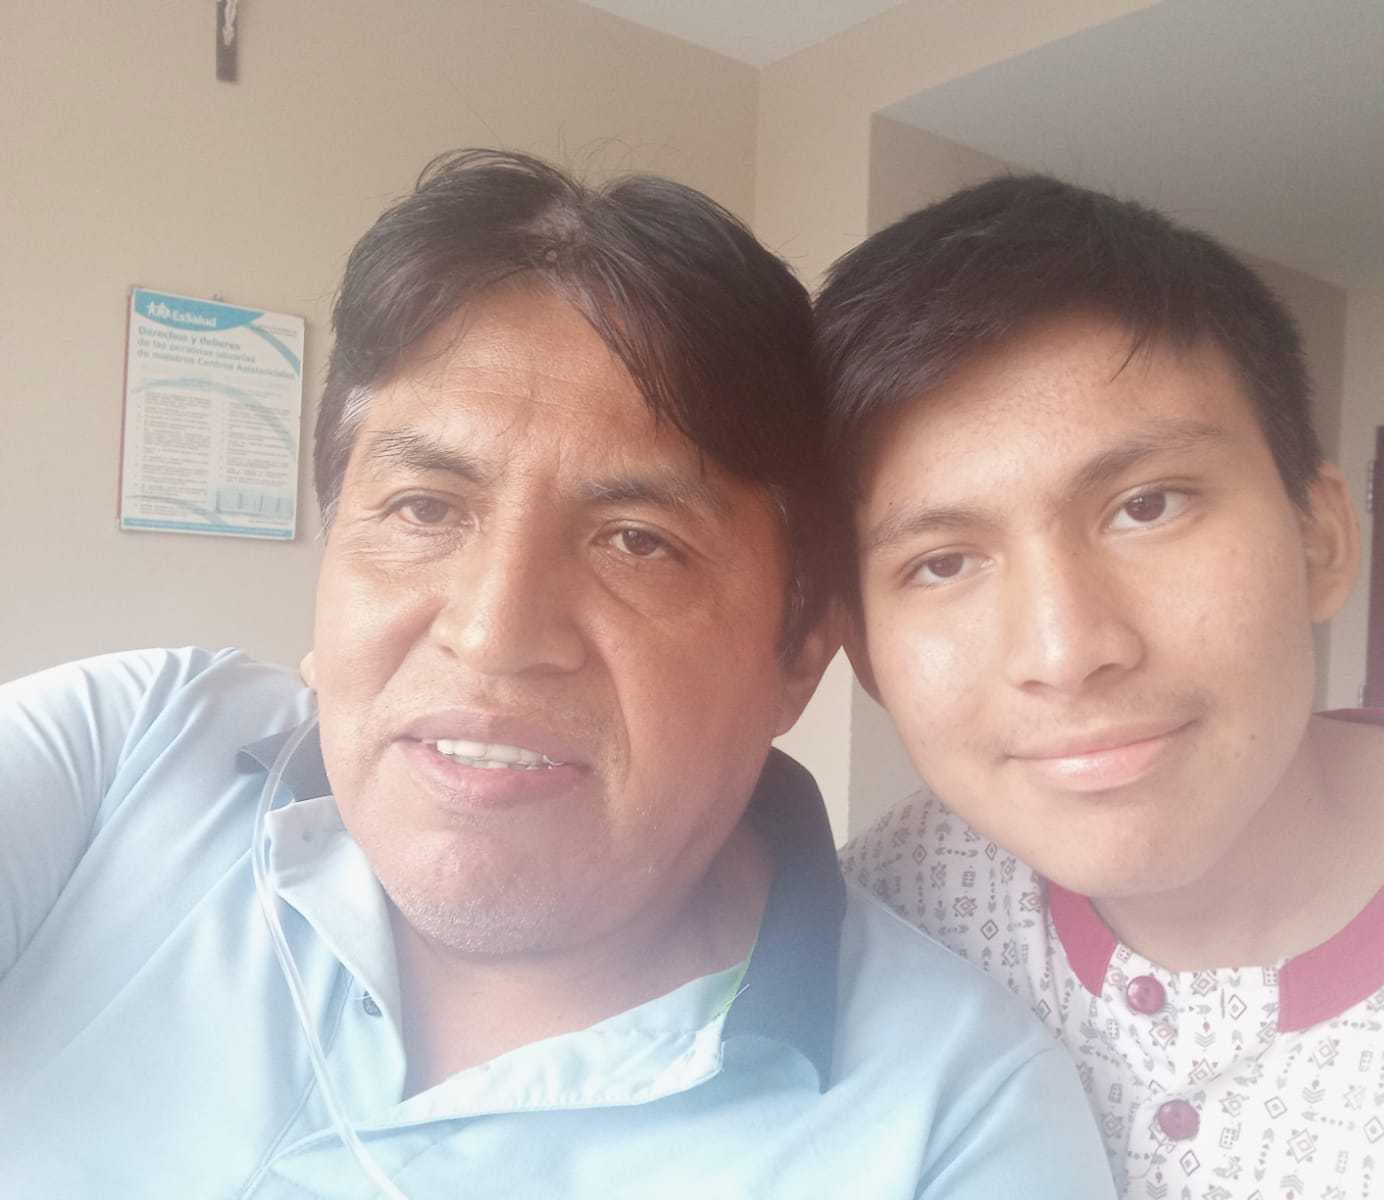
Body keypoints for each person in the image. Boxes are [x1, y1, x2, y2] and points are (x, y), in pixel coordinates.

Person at [0, 152, 1113, 1199]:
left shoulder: (955, 1120)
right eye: (424, 510)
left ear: (798, 656)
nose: (492, 634)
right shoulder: (130, 751)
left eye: (637, 541)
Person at [821, 174, 1384, 1198]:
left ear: (1318, 537)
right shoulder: (874, 924)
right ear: (867, 655)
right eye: (941, 562)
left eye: (1146, 506)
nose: (1064, 650)